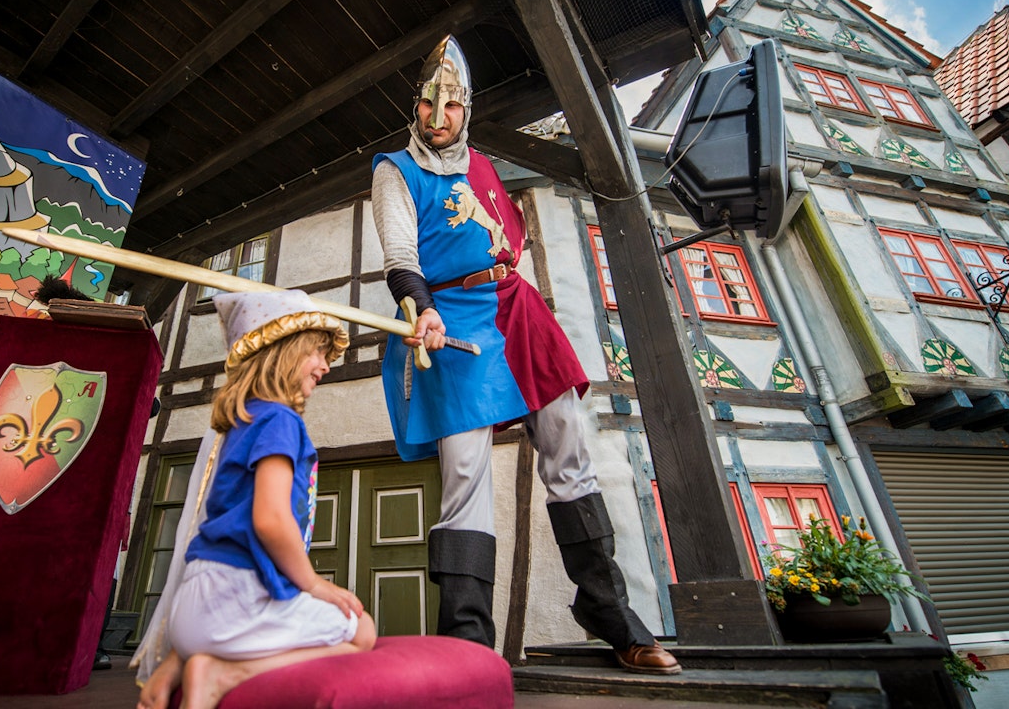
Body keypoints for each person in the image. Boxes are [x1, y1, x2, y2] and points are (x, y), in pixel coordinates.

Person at [369, 35, 680, 675]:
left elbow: (504, 239)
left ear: (467, 109)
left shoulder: (482, 164)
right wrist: (419, 308)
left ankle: (609, 615)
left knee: (569, 451)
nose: (438, 117)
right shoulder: (393, 170)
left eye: (452, 105)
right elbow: (401, 257)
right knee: (464, 475)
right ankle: (466, 645)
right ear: (416, 107)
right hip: (450, 317)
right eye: (429, 103)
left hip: (517, 308)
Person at [137, 290, 376, 709]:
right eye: (317, 353)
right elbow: (269, 518)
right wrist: (314, 584)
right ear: (284, 351)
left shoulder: (242, 422)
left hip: (192, 610)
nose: (325, 366)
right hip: (237, 600)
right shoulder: (281, 420)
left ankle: (180, 661)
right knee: (362, 629)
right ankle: (225, 673)